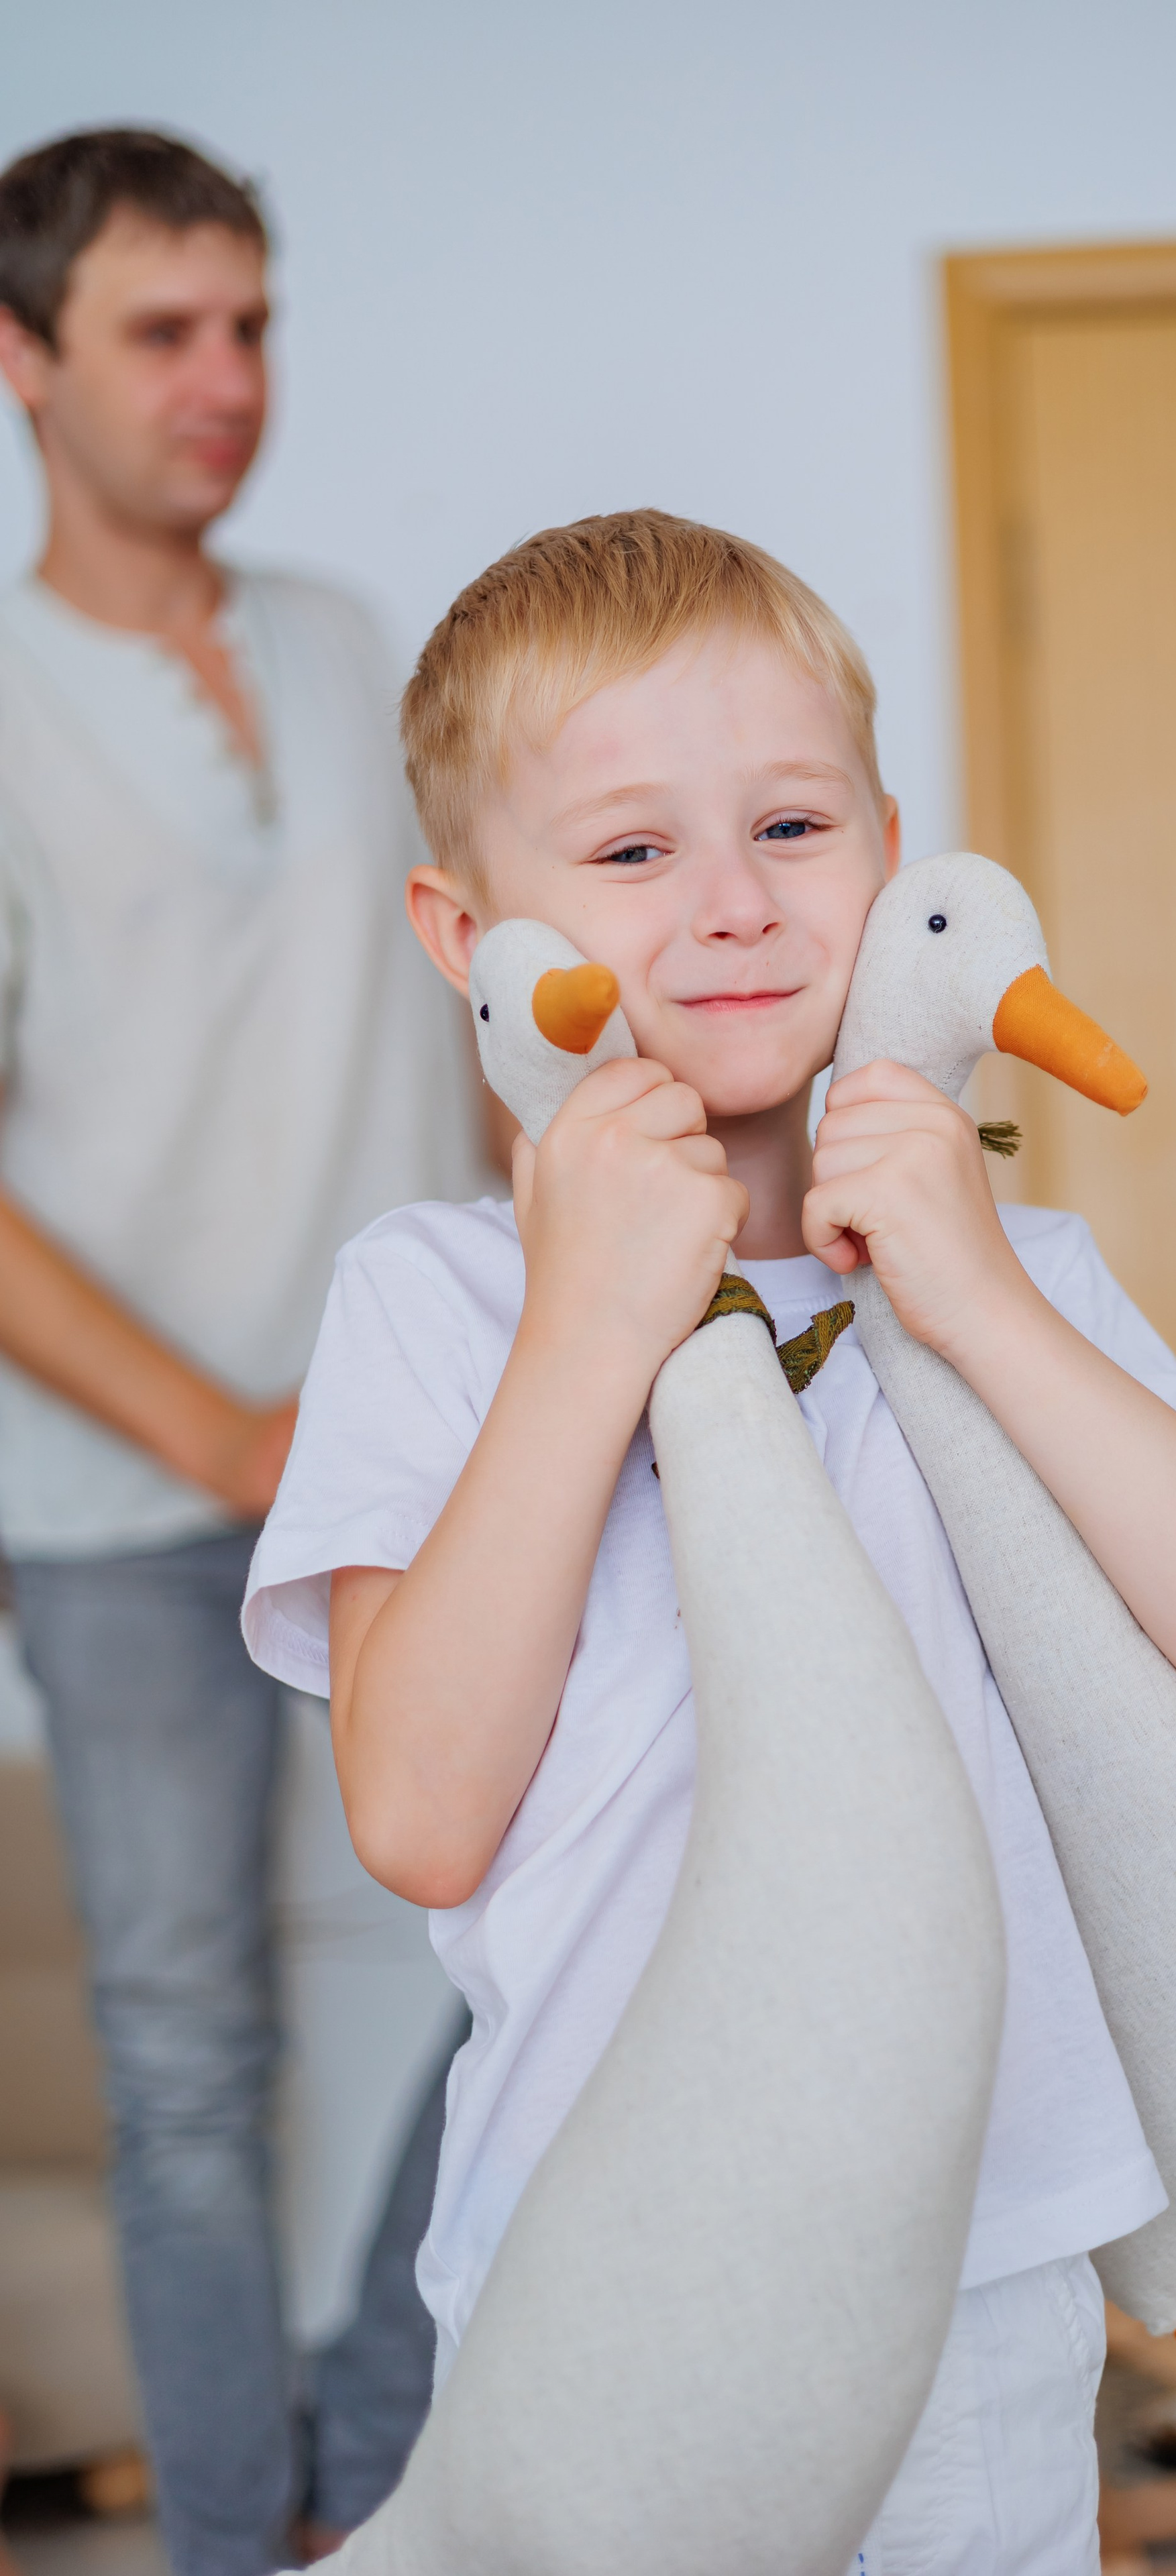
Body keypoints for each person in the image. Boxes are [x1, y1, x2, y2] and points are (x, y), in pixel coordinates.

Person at [242, 510, 1176, 2571]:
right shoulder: (433, 1302)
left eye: (791, 826)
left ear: (885, 842)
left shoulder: (1020, 1272)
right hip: (605, 2274)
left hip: (980, 2268)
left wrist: (982, 1300)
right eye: (629, 853)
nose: (735, 908)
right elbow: (420, 1812)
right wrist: (589, 1331)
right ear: (463, 930)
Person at [0, 131, 490, 2573]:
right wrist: (229, 1427)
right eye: (162, 333)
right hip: (120, 1515)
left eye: (255, 326)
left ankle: (374, 2470)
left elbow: (474, 1018)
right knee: (195, 2074)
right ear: (24, 363)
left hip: (417, 1461)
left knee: (568, 1942)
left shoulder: (347, 634)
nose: (226, 381)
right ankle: (233, 2548)